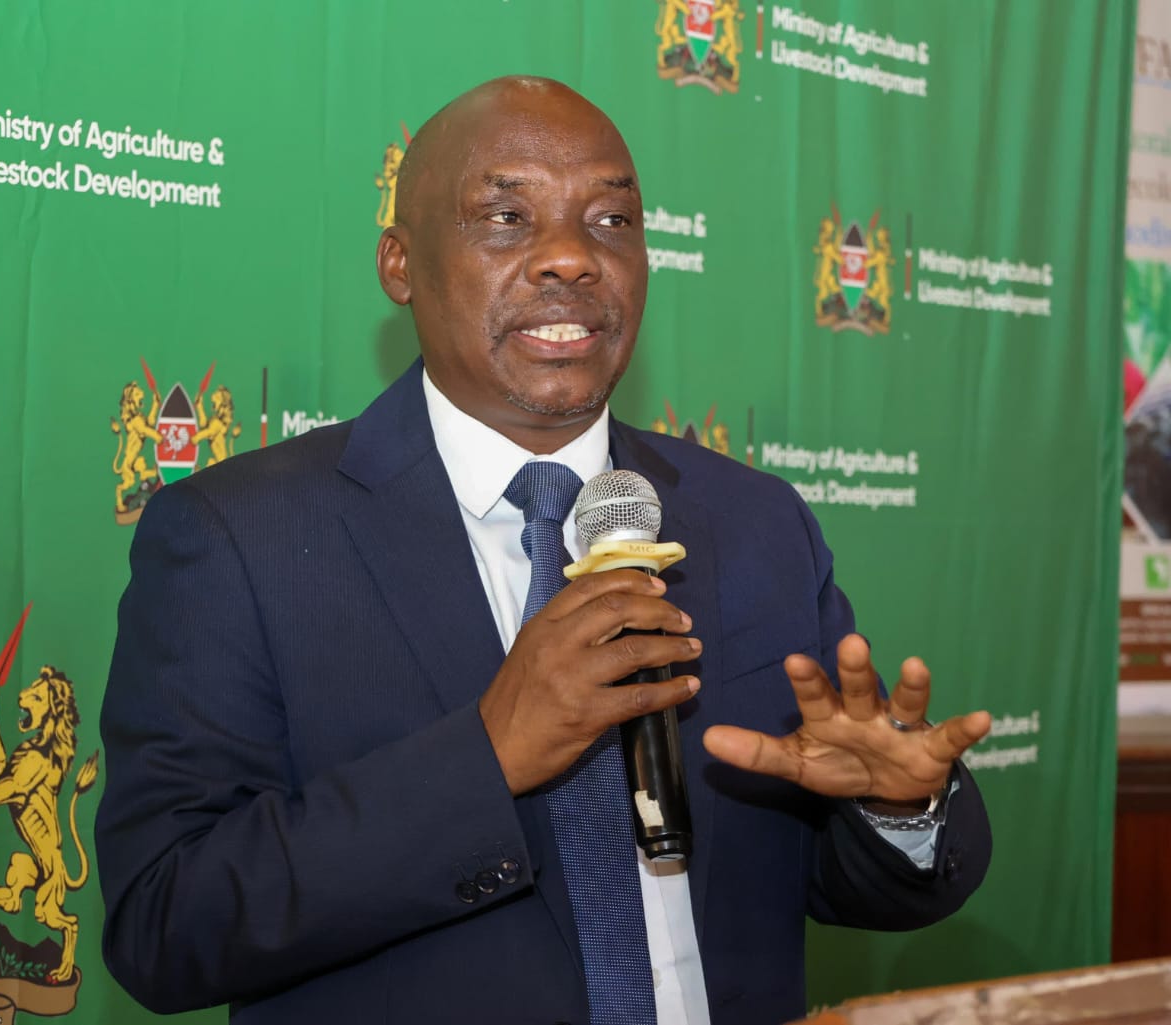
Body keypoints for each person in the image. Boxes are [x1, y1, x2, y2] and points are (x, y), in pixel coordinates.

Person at [96, 76, 992, 1025]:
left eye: (611, 220)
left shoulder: (757, 521)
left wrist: (898, 810)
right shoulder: (242, 535)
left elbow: (838, 879)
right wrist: (485, 757)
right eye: (507, 217)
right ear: (400, 263)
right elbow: (166, 923)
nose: (571, 256)